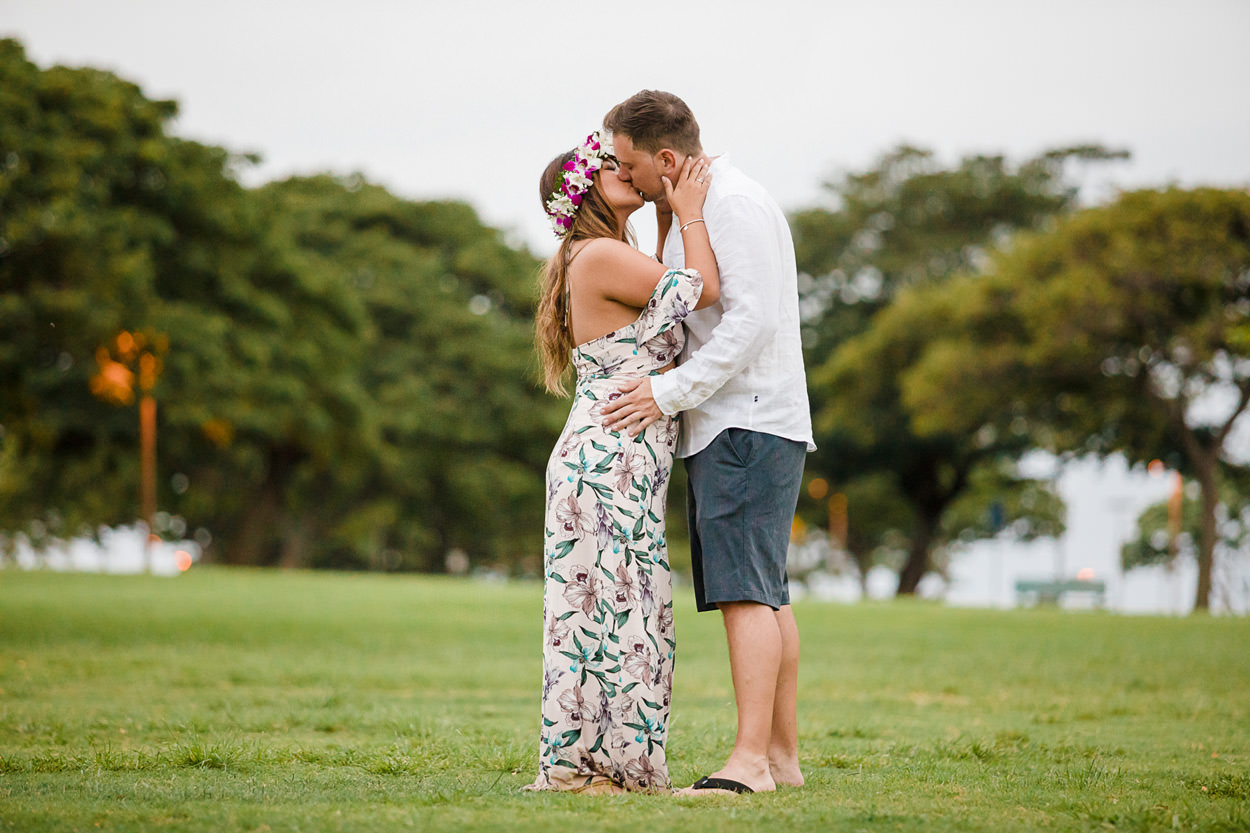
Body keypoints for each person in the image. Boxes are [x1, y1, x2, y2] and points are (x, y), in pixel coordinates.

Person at [599, 90, 814, 796]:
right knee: (764, 590)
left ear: (666, 158)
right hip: (735, 420)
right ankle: (780, 757)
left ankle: (750, 761)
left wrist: (668, 392)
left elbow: (749, 323)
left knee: (744, 593)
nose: (622, 176)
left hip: (744, 419)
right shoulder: (691, 207)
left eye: (629, 164)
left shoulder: (732, 204)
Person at [524, 129, 720, 794]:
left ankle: (597, 764)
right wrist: (688, 209)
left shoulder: (602, 252)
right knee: (612, 607)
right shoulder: (602, 254)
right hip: (608, 457)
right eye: (609, 166)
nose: (623, 169)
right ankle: (603, 767)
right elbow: (705, 288)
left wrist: (666, 213)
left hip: (617, 454)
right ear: (583, 194)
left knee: (613, 603)